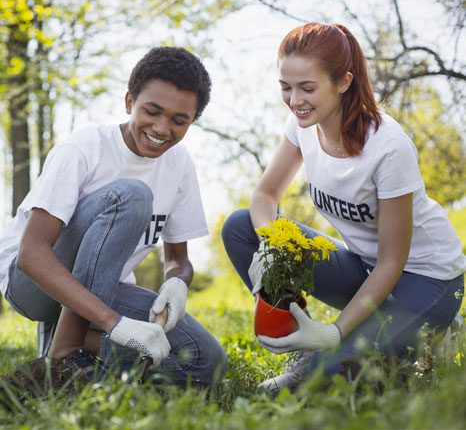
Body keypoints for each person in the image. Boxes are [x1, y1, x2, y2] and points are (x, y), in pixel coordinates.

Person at [222, 22, 465, 392]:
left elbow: (392, 261)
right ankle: (305, 338)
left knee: (327, 381)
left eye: (307, 88)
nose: (294, 100)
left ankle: (424, 328)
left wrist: (334, 332)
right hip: (365, 270)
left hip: (427, 278)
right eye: (286, 88)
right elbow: (265, 197)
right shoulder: (302, 124)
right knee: (242, 227)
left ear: (344, 82)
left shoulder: (388, 147)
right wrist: (270, 245)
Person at [0, 47, 226, 396]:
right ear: (128, 101)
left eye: (179, 121)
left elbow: (178, 259)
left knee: (204, 360)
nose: (162, 128)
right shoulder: (85, 148)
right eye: (152, 111)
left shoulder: (179, 165)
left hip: (105, 288)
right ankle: (64, 358)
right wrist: (115, 324)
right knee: (132, 196)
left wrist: (178, 282)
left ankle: (66, 350)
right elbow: (31, 254)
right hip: (33, 285)